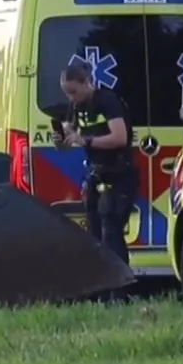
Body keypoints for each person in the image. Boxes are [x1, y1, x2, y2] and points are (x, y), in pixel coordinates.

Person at [56, 63, 137, 276]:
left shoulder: (106, 101)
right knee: (94, 233)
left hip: (119, 173)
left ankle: (120, 288)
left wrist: (86, 141)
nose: (71, 98)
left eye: (73, 91)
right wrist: (62, 140)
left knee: (111, 233)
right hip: (97, 172)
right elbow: (70, 138)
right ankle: (101, 288)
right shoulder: (76, 106)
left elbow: (120, 138)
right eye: (66, 93)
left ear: (86, 83)